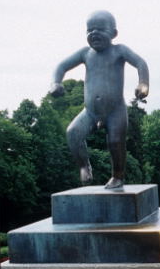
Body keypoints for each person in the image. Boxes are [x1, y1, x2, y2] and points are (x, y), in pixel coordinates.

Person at [50, 10, 149, 189]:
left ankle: (118, 176)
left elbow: (140, 63)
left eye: (100, 29)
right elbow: (61, 66)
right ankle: (84, 166)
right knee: (73, 133)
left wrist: (143, 84)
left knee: (115, 142)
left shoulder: (119, 51)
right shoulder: (85, 53)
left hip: (115, 111)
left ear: (114, 33)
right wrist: (56, 83)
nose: (94, 33)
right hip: (90, 112)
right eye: (90, 30)